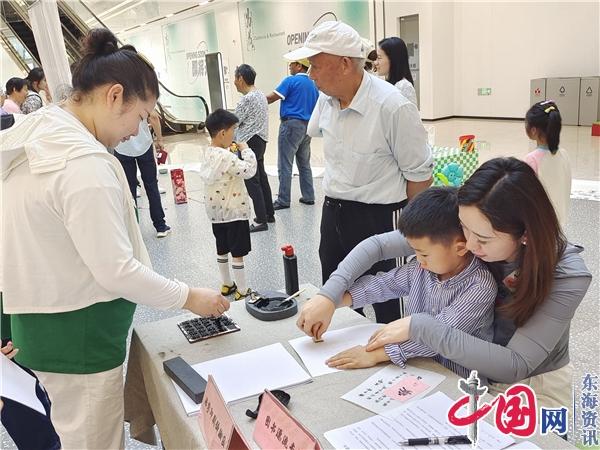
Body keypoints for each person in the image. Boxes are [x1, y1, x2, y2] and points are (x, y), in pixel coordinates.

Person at [0, 28, 230, 448]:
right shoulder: (83, 164)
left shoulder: (43, 132)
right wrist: (189, 296)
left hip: (47, 326)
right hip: (78, 337)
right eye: (140, 116)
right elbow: (116, 269)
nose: (137, 132)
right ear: (113, 95)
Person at [298, 157, 591, 409]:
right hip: (464, 371)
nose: (467, 243)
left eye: (483, 239)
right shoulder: (472, 225)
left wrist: (418, 327)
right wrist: (329, 296)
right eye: (463, 227)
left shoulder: (566, 274)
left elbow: (516, 364)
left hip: (533, 385)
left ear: (524, 233)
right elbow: (378, 247)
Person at [286, 21, 433, 324]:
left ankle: (394, 361)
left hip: (380, 217)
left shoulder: (392, 106)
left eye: (315, 65)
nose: (309, 74)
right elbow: (317, 133)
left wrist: (408, 232)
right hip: (334, 212)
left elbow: (419, 176)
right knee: (338, 295)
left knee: (388, 303)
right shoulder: (325, 101)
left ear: (343, 64)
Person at [322, 187, 497, 378]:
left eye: (424, 253)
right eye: (414, 251)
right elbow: (384, 284)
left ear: (460, 248)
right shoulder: (422, 268)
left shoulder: (480, 286)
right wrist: (332, 302)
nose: (418, 259)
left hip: (459, 381)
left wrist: (375, 354)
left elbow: (440, 335)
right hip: (418, 368)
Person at [199, 108, 257, 301]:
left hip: (216, 213)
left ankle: (226, 283)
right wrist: (246, 150)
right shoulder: (228, 156)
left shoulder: (208, 153)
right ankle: (242, 289)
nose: (234, 134)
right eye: (233, 130)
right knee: (238, 252)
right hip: (234, 211)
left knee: (221, 247)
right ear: (223, 133)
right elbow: (248, 171)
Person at [114, 45, 171, 238]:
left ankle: (133, 230)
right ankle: (160, 225)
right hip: (144, 145)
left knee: (129, 190)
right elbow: (153, 117)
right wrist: (159, 140)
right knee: (151, 185)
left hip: (122, 147)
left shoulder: (116, 88)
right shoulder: (141, 88)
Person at [266, 58, 319, 210]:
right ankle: (309, 196)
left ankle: (283, 200)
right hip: (307, 127)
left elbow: (271, 97)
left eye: (291, 64)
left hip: (290, 126)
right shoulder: (314, 84)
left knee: (285, 163)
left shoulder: (290, 81)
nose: (289, 66)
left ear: (299, 66)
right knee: (304, 163)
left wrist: (255, 100)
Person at [233, 64, 274, 232]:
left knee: (252, 181)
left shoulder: (247, 99)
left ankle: (260, 220)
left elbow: (234, 121)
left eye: (235, 79)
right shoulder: (261, 95)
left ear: (241, 78)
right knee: (262, 178)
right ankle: (269, 213)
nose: (234, 83)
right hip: (260, 140)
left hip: (248, 142)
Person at [524, 100, 571, 227]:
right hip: (561, 220)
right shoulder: (564, 154)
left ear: (533, 130)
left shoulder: (532, 159)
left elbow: (527, 197)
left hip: (540, 225)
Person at [375, 37, 417, 106]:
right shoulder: (387, 84)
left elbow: (410, 115)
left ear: (393, 59)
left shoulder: (404, 86)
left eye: (379, 58)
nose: (376, 63)